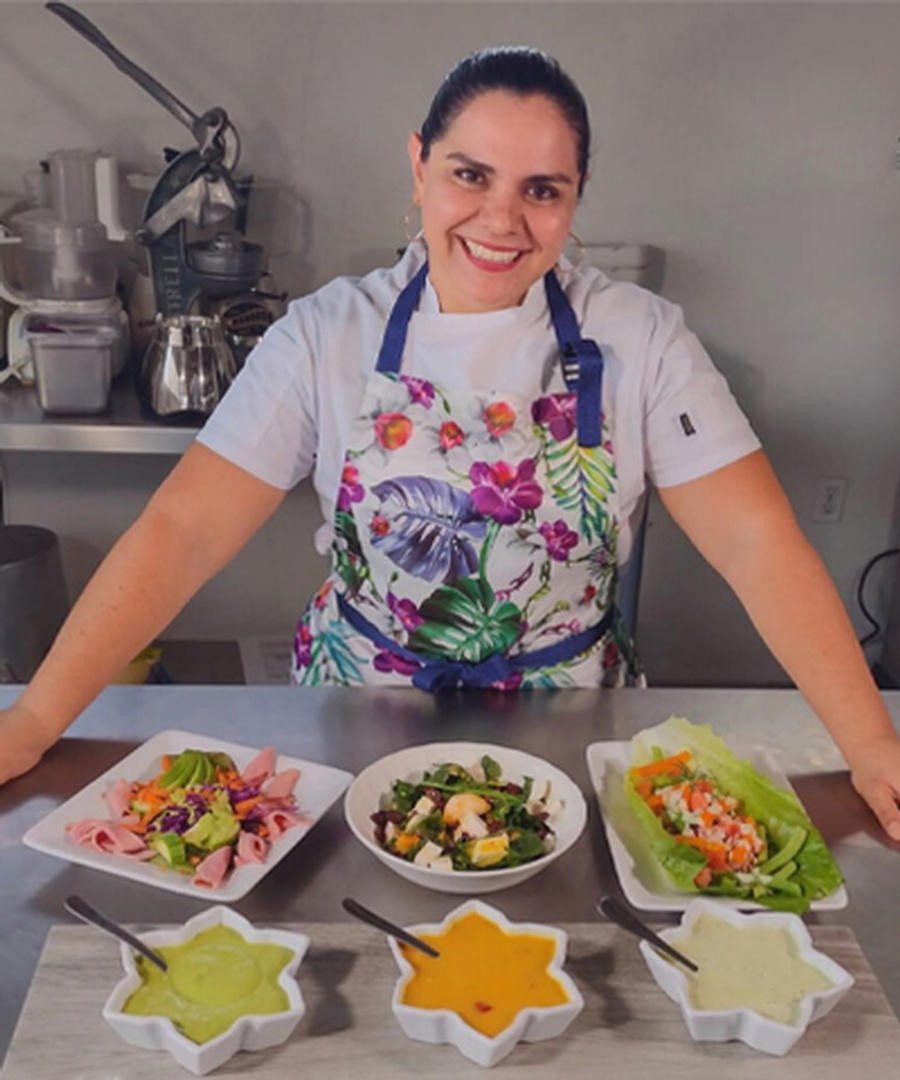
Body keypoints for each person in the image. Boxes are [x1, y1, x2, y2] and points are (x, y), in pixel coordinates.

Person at [1, 47, 898, 840]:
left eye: (541, 190)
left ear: (575, 197)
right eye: (471, 175)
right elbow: (184, 531)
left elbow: (753, 541)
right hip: (355, 722)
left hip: (571, 735)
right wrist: (36, 720)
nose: (501, 220)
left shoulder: (642, 337)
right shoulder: (327, 333)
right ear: (420, 165)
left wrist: (871, 746)